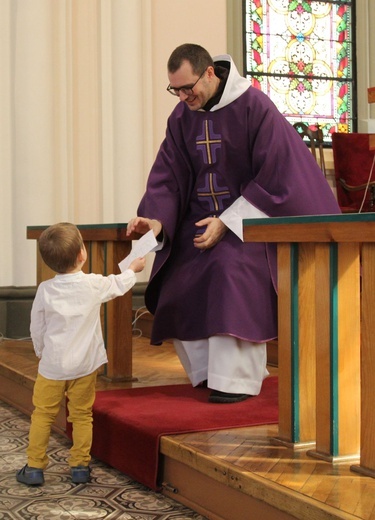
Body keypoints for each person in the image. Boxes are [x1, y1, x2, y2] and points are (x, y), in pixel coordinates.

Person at [126, 43, 341, 404]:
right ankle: (207, 372)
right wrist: (157, 221)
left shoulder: (254, 106)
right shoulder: (181, 118)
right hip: (198, 222)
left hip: (250, 222)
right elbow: (168, 176)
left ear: (210, 72)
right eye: (175, 90)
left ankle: (237, 379)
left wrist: (227, 222)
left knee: (228, 267)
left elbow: (279, 173)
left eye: (187, 88)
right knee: (179, 272)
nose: (182, 97)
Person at [16, 222, 145, 486]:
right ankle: (79, 466)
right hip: (85, 367)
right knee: (82, 415)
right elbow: (118, 285)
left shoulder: (45, 290)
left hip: (52, 367)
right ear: (82, 255)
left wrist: (41, 352)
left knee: (42, 414)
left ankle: (34, 467)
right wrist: (133, 269)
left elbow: (36, 326)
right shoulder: (93, 284)